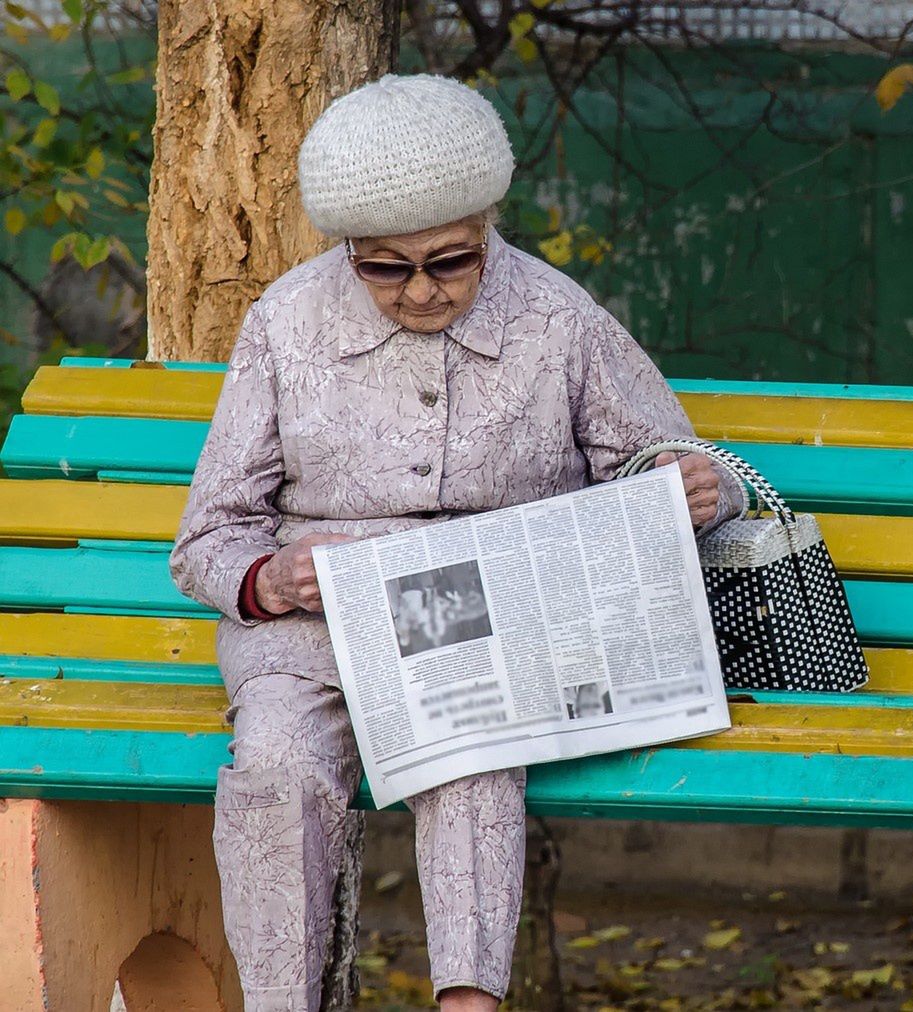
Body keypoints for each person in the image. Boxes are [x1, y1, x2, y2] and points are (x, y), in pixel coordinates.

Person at [170, 73, 743, 1012]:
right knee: (275, 767)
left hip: (494, 615)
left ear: (486, 228)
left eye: (452, 261)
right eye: (386, 268)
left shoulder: (556, 315)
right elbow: (207, 537)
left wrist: (689, 493)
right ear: (345, 250)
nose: (424, 291)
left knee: (471, 743)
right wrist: (271, 578)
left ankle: (469, 1003)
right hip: (315, 624)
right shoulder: (285, 320)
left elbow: (655, 465)